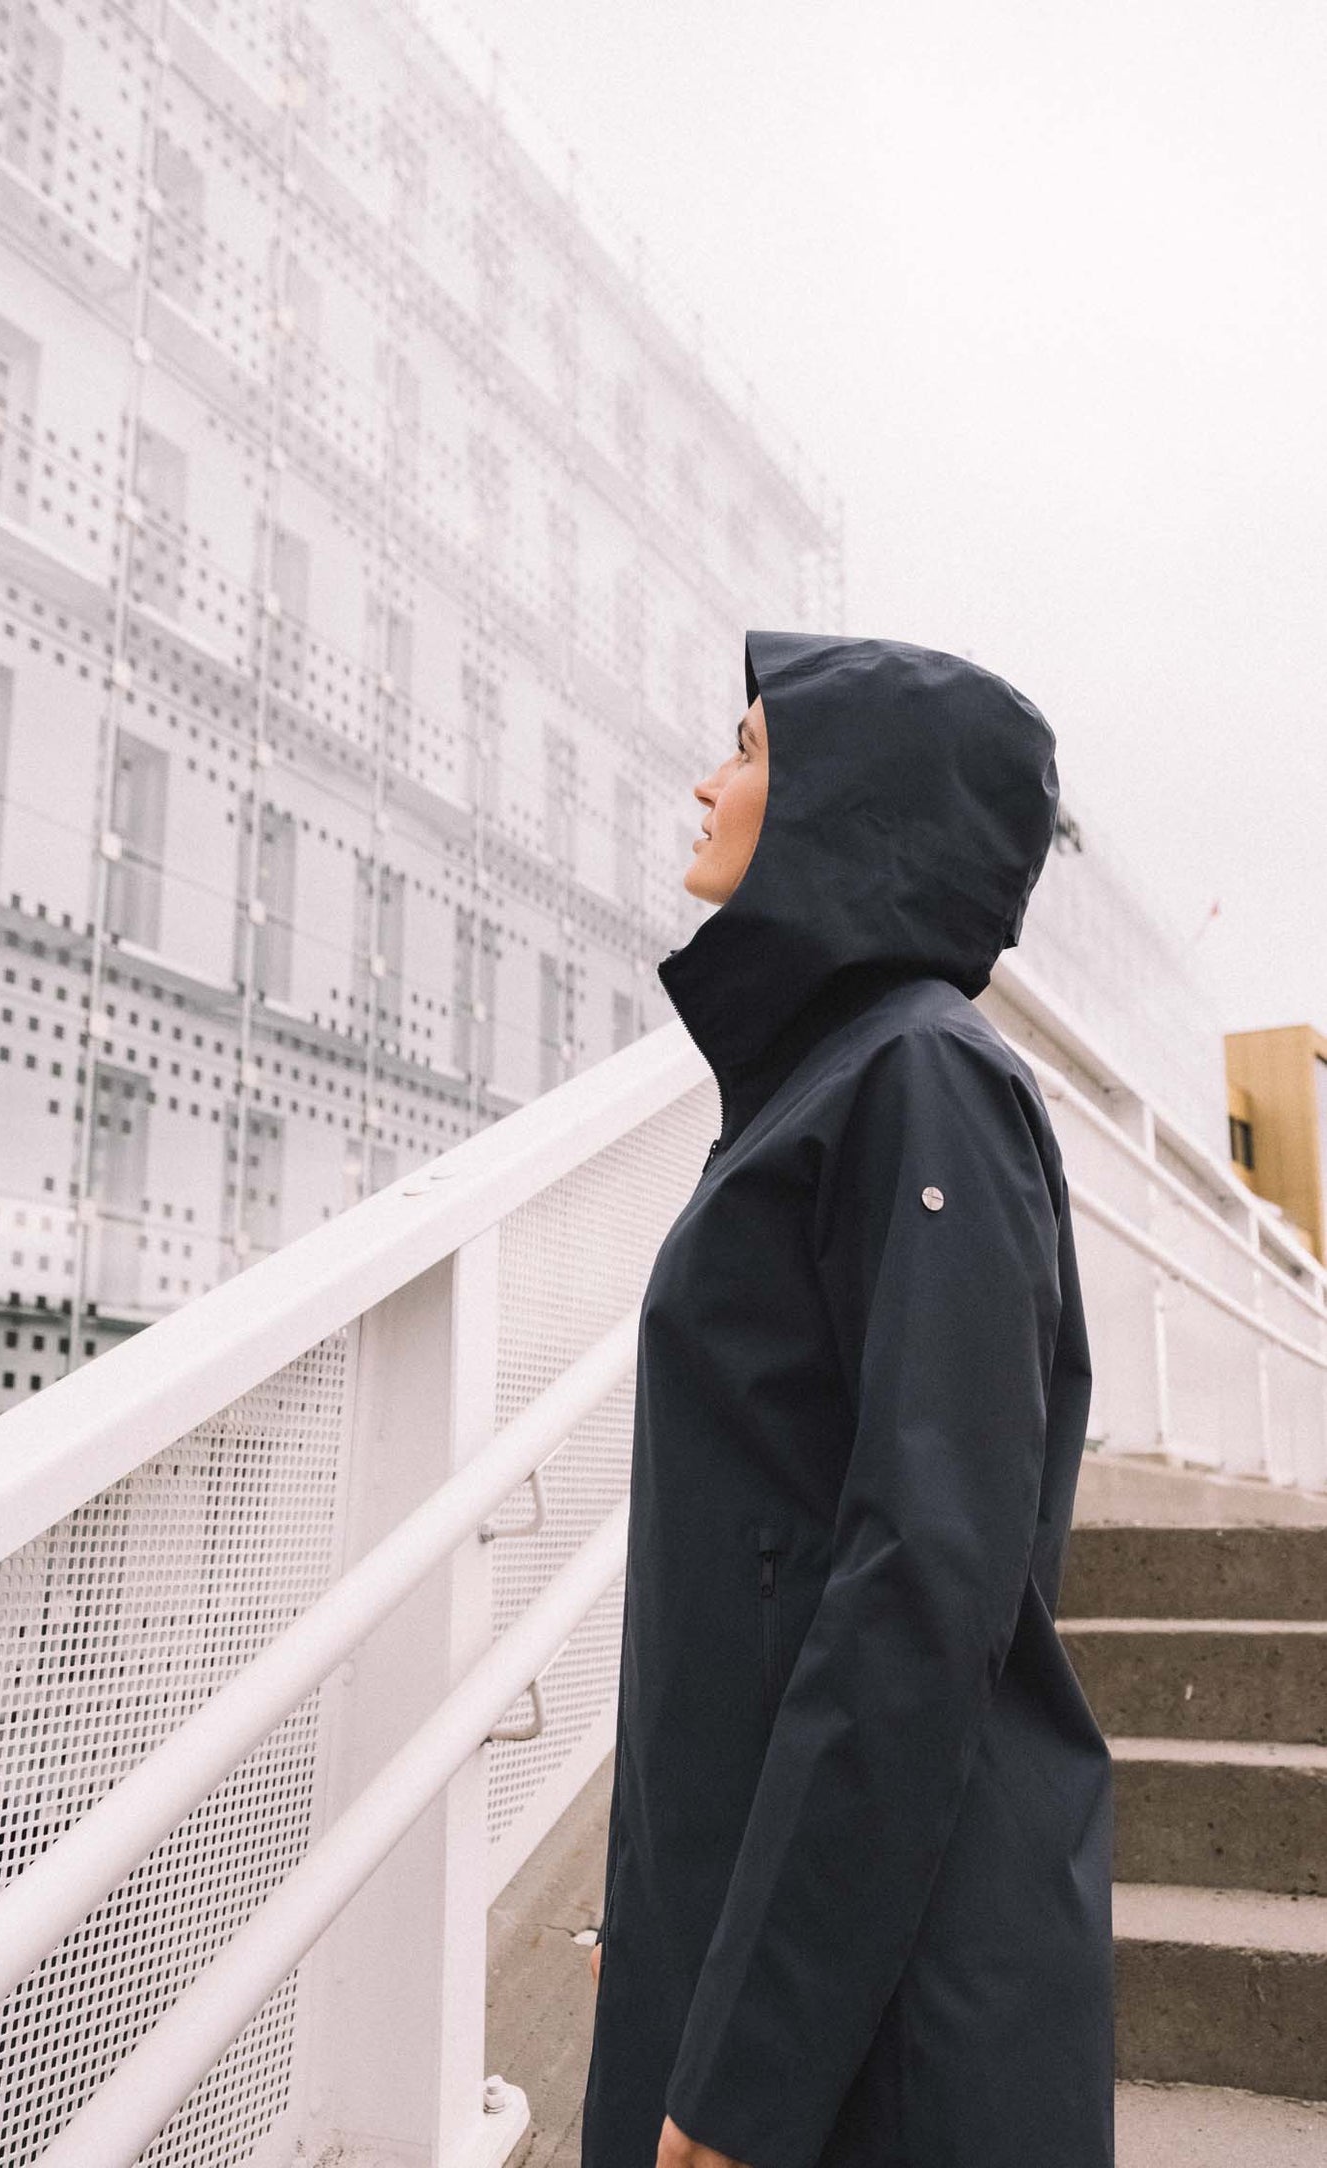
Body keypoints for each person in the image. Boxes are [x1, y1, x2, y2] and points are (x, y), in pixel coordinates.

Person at [579, 630, 1115, 2168]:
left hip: (877, 2015)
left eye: (747, 750)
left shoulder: (920, 1080)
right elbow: (756, 1567)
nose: (705, 784)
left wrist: (750, 2066)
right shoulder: (835, 1083)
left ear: (848, 802)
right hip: (785, 1947)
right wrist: (657, 1925)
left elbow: (921, 1579)